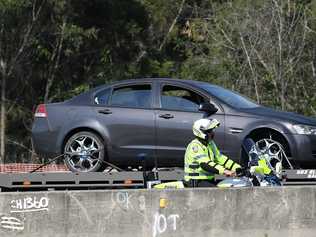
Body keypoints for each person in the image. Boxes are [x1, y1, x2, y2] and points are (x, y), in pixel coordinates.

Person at [184, 118, 241, 187]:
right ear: (201, 132)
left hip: (208, 180)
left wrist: (238, 168)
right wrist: (225, 171)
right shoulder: (195, 146)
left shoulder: (210, 143)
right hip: (195, 180)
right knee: (219, 193)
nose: (212, 133)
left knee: (231, 185)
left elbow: (220, 158)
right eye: (209, 131)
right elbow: (205, 164)